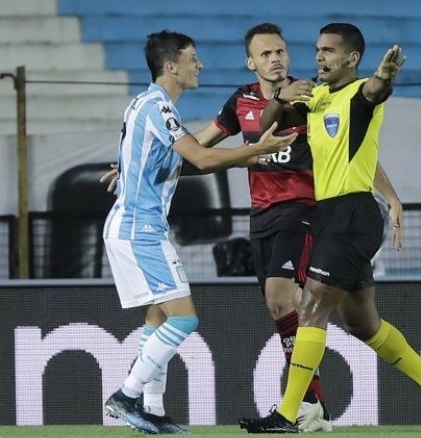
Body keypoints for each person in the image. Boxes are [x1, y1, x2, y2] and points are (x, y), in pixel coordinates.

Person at [239, 23, 421, 434]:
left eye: (328, 51)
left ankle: (289, 415)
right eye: (317, 50)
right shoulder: (317, 96)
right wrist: (278, 96)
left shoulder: (359, 96)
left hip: (353, 215)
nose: (319, 57)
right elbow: (265, 128)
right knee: (363, 323)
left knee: (311, 308)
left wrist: (385, 76)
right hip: (330, 216)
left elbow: (376, 91)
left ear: (352, 59)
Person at [101, 30, 296, 435]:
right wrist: (255, 150)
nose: (199, 65)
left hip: (130, 227)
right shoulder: (159, 106)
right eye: (193, 57)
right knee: (184, 319)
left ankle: (151, 410)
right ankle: (126, 395)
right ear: (171, 65)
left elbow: (161, 158)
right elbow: (203, 158)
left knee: (158, 318)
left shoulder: (144, 104)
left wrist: (129, 169)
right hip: (141, 231)